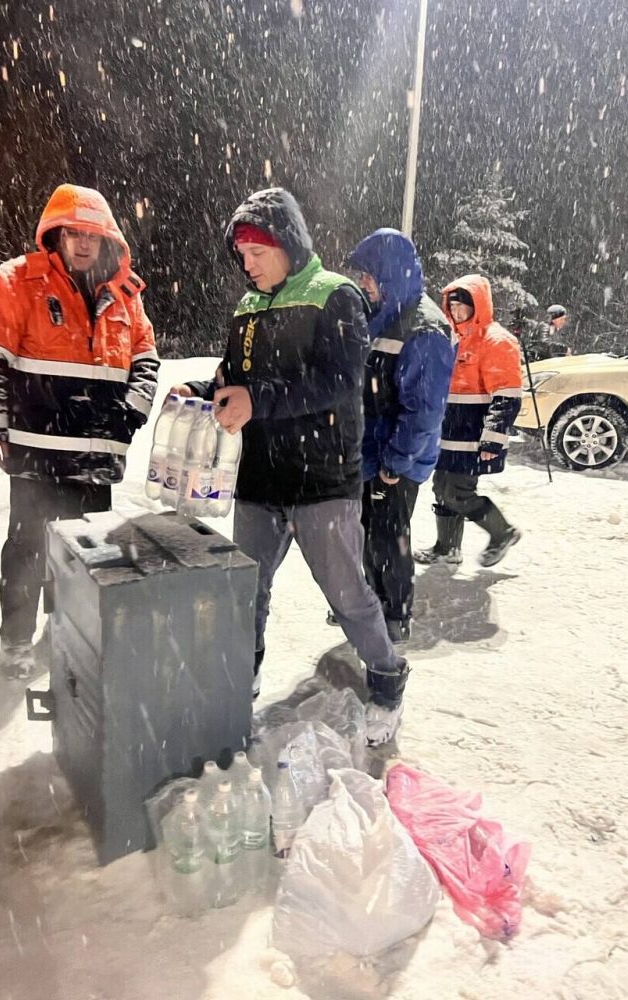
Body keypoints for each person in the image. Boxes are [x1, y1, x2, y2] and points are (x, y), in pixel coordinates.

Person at [172, 188, 409, 745]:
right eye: (241, 254)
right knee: (246, 590)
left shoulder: (336, 296)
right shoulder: (248, 308)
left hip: (322, 478)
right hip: (259, 478)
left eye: (256, 251)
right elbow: (235, 375)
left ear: (287, 243)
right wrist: (205, 389)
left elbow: (338, 382)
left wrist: (260, 402)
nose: (246, 263)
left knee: (346, 592)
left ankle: (387, 678)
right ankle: (243, 671)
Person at [0, 184, 159, 678]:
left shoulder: (126, 296)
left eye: (92, 233)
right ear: (56, 234)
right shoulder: (15, 282)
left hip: (96, 456)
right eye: (72, 231)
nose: (82, 242)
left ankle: (69, 633)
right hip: (37, 451)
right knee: (27, 552)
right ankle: (15, 642)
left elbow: (145, 359)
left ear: (108, 239)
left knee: (86, 557)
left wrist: (131, 413)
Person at [342, 228, 456, 642]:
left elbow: (424, 410)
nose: (363, 283)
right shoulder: (384, 312)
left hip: (395, 459)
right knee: (365, 530)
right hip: (371, 451)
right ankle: (369, 602)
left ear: (388, 273)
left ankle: (395, 613)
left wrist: (396, 461)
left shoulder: (424, 328)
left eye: (369, 275)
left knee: (390, 538)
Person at [415, 275, 522, 568]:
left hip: (473, 435)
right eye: (453, 305)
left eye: (464, 305)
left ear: (479, 305)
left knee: (457, 493)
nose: (458, 311)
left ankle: (503, 532)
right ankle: (447, 548)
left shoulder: (496, 340)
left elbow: (507, 395)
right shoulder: (452, 336)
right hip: (447, 432)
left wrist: (494, 437)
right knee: (441, 489)